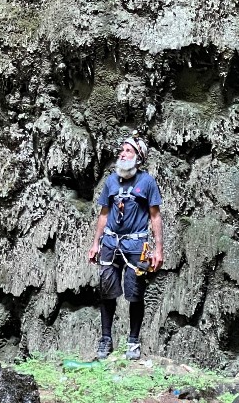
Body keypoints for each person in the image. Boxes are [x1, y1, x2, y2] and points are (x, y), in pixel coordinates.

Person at [87, 130, 163, 361]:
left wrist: (158, 249)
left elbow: (155, 216)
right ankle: (106, 340)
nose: (122, 153)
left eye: (128, 150)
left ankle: (133, 342)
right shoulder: (111, 181)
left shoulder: (147, 182)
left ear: (138, 157)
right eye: (122, 150)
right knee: (107, 292)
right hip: (110, 244)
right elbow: (103, 214)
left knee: (135, 295)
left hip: (135, 245)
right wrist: (95, 243)